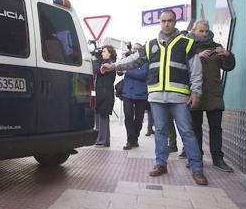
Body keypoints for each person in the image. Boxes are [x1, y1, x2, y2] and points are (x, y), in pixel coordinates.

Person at [101, 10, 208, 185]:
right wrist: (113, 66)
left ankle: (197, 169)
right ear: (160, 22)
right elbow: (134, 59)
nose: (167, 24)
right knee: (160, 132)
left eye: (170, 21)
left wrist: (196, 92)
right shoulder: (151, 44)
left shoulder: (187, 44)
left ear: (175, 22)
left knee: (187, 132)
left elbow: (196, 70)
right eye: (164, 21)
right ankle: (161, 164)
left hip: (179, 96)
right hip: (157, 96)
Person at [188, 20, 236, 172]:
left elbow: (229, 67)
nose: (204, 33)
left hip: (214, 94)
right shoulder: (188, 47)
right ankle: (196, 158)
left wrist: (227, 55)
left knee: (216, 127)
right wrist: (197, 57)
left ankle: (218, 159)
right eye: (200, 31)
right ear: (194, 31)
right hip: (195, 93)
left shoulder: (216, 47)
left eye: (206, 31)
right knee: (195, 128)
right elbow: (181, 66)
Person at [120, 43, 148, 150]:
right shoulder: (128, 59)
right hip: (127, 92)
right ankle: (129, 140)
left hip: (141, 94)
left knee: (139, 118)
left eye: (137, 49)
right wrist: (121, 68)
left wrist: (127, 70)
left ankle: (135, 138)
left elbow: (143, 74)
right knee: (128, 116)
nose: (135, 50)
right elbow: (120, 72)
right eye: (134, 49)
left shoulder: (145, 61)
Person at [93, 45, 117, 147]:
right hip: (101, 92)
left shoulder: (110, 64)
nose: (102, 53)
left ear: (110, 53)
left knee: (103, 116)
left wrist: (94, 60)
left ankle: (102, 140)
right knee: (99, 116)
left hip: (105, 93)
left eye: (104, 51)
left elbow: (97, 71)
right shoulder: (103, 62)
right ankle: (102, 139)